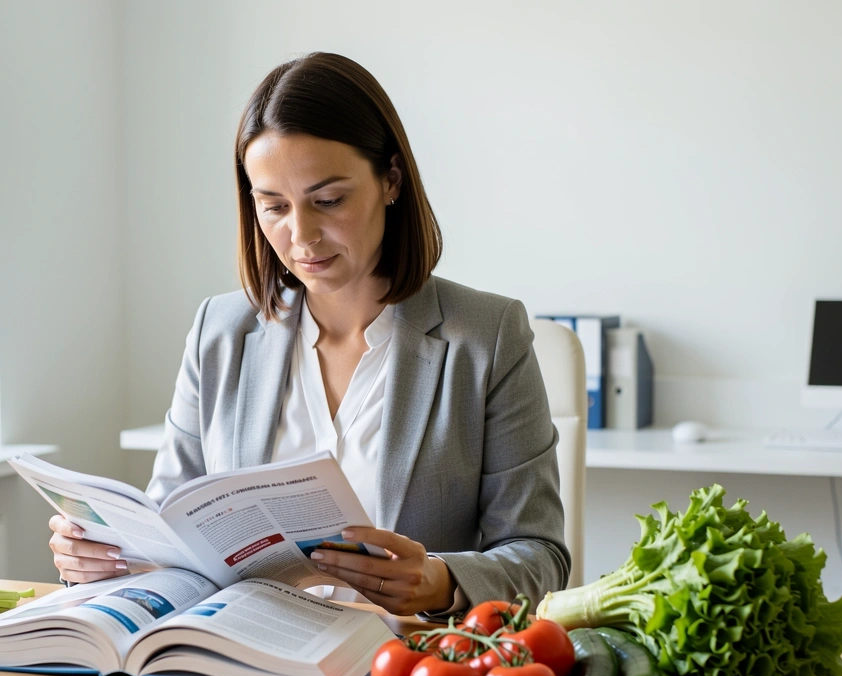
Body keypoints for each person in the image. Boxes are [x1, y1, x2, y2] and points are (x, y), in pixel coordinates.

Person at [49, 52, 570, 617]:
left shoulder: (487, 337)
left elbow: (541, 556)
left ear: (390, 179)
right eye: (273, 207)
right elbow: (169, 527)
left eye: (328, 201)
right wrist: (108, 554)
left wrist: (441, 583)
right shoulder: (218, 332)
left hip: (402, 671)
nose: (302, 236)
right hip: (244, 655)